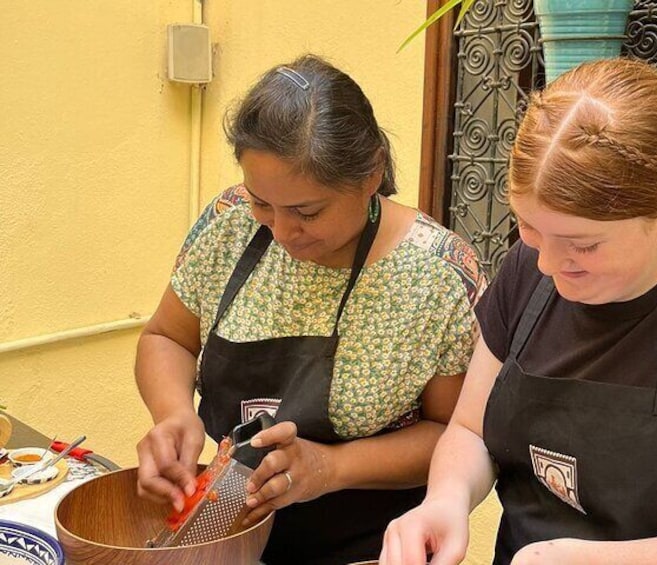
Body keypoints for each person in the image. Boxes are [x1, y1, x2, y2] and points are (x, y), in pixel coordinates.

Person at [379, 57, 657, 565]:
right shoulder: (529, 268)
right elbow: (470, 430)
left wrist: (584, 559)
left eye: (583, 245)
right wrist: (445, 501)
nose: (546, 262)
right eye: (527, 227)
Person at [134, 54, 486, 565]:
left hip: (376, 548)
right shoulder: (230, 222)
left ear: (371, 174)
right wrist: (173, 412)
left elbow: (457, 435)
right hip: (230, 529)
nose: (280, 232)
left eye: (307, 212)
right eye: (262, 202)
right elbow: (167, 337)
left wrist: (331, 467)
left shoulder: (435, 274)